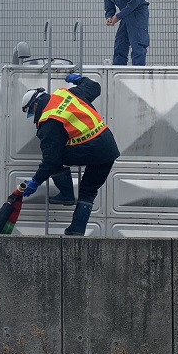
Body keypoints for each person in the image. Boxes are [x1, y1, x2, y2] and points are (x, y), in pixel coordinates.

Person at [21, 74, 120, 236]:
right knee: (88, 192)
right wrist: (79, 79)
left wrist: (35, 181)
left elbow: (51, 160)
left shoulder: (49, 122)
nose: (33, 115)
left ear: (36, 103)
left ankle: (67, 195)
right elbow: (95, 87)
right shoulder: (68, 94)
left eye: (31, 111)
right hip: (108, 148)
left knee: (52, 159)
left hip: (89, 149)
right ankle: (76, 231)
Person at [99, 0, 149, 66]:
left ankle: (138, 76)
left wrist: (118, 16)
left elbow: (135, 0)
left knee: (138, 45)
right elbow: (109, 8)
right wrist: (109, 17)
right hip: (125, 16)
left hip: (138, 14)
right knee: (120, 45)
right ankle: (118, 75)